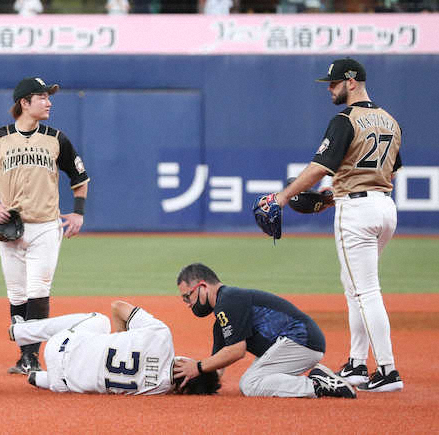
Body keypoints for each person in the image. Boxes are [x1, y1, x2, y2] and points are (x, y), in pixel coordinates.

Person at [258, 58, 403, 393]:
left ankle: (388, 370)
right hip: (384, 206)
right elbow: (390, 171)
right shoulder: (390, 121)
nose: (330, 88)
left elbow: (317, 168)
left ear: (351, 81)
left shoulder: (345, 119)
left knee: (366, 290)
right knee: (355, 285)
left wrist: (281, 198)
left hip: (358, 212)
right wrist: (334, 196)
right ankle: (356, 363)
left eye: (334, 82)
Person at [0, 77, 90, 375]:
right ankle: (24, 356)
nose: (49, 102)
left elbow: (80, 179)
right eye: (42, 97)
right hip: (11, 227)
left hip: (46, 226)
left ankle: (32, 357)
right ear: (24, 102)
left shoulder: (56, 138)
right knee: (16, 294)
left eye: (49, 98)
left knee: (38, 290)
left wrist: (77, 213)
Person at [172, 263, 356, 399]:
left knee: (250, 384)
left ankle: (317, 385)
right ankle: (320, 379)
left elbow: (236, 350)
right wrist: (189, 380)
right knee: (257, 380)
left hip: (300, 341)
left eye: (188, 296)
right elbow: (218, 367)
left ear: (203, 286)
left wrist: (196, 367)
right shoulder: (222, 317)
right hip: (294, 344)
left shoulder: (228, 300)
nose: (188, 304)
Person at [11, 300, 221, 396]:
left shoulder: (161, 336)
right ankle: (40, 378)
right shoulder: (155, 391)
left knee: (100, 321)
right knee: (91, 375)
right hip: (64, 385)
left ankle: (22, 332)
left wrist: (121, 337)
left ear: (191, 365)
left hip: (59, 347)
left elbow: (117, 306)